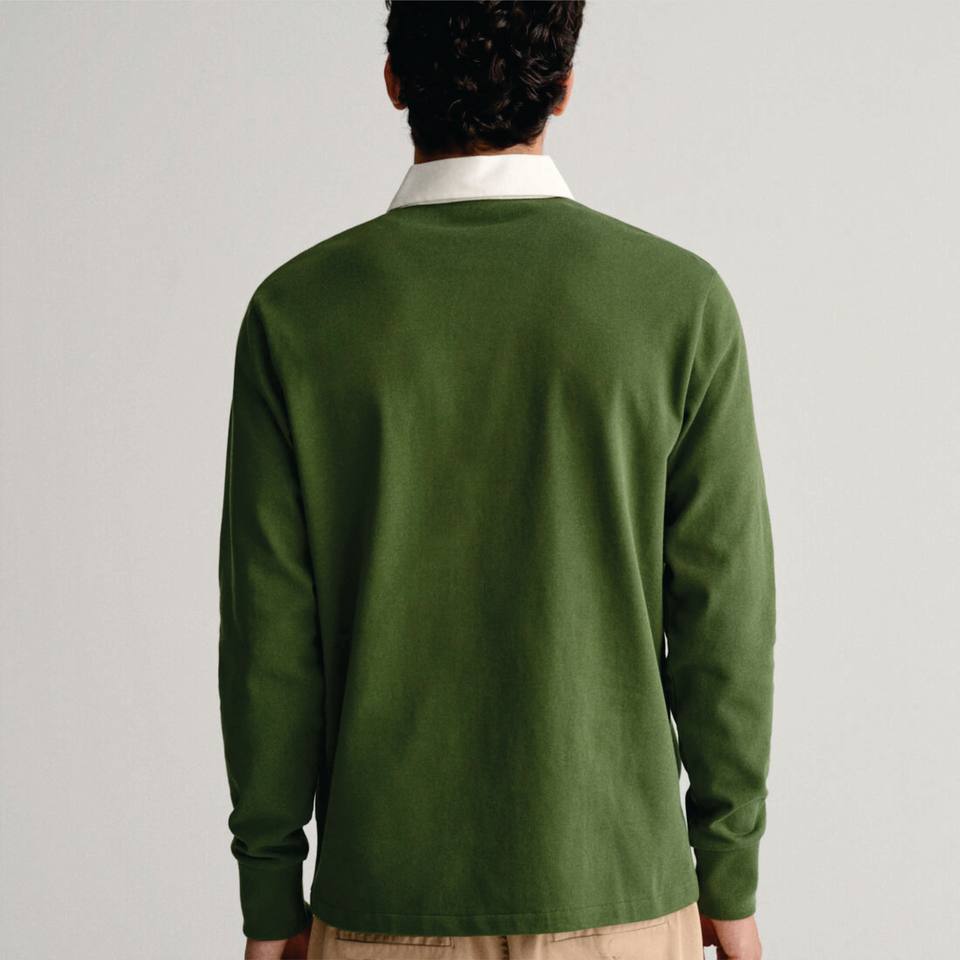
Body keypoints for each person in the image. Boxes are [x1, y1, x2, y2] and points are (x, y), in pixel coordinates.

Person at [217, 2, 776, 958]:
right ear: (563, 88)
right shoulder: (680, 306)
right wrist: (727, 874)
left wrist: (271, 899)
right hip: (622, 899)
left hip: (381, 904)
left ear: (394, 82)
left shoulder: (297, 315)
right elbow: (725, 621)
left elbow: (268, 644)